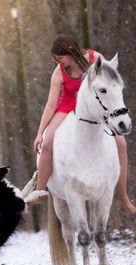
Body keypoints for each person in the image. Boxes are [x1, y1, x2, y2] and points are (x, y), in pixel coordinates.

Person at [26, 34, 136, 213]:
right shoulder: (59, 72)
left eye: (60, 58)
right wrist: (40, 133)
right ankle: (39, 191)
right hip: (67, 106)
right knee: (47, 143)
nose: (59, 62)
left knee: (121, 144)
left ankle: (122, 194)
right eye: (56, 59)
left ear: (70, 52)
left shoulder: (96, 59)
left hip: (93, 109)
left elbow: (111, 85)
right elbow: (51, 104)